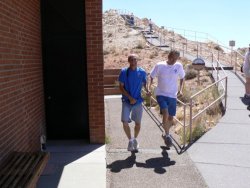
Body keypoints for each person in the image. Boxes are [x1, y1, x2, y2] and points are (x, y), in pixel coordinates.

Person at [148, 50, 185, 147]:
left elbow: (182, 78)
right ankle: (168, 135)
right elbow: (151, 76)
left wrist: (181, 90)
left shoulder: (179, 66)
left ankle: (165, 133)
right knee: (165, 111)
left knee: (170, 117)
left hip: (173, 95)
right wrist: (149, 88)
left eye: (176, 58)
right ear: (169, 56)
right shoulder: (160, 65)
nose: (174, 60)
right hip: (161, 94)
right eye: (173, 57)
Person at [118, 54, 149, 151]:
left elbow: (145, 83)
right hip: (126, 101)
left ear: (137, 61)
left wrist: (147, 91)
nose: (133, 61)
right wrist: (130, 97)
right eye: (131, 60)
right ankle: (130, 140)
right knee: (125, 122)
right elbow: (121, 87)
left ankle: (135, 139)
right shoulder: (124, 72)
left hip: (138, 102)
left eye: (135, 59)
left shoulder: (142, 72)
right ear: (129, 61)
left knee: (138, 124)